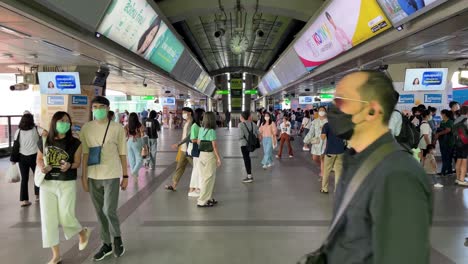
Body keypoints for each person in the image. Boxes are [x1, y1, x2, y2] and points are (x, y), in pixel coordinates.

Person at [320, 71, 431, 263]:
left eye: (343, 101)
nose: (334, 110)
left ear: (372, 111)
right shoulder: (359, 160)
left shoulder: (398, 174)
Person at [37, 111, 91, 264]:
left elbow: (77, 163)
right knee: (48, 220)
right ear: (54, 122)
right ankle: (56, 255)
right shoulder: (44, 139)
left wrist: (69, 165)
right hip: (47, 184)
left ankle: (82, 232)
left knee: (66, 215)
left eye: (67, 121)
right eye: (61, 121)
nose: (64, 123)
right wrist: (42, 167)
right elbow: (39, 158)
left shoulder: (75, 143)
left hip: (66, 182)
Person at [80, 96, 128, 261]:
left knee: (109, 209)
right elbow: (85, 154)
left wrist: (126, 175)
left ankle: (117, 238)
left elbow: (122, 153)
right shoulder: (86, 128)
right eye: (94, 106)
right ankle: (106, 244)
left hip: (112, 174)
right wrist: (83, 177)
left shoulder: (117, 128)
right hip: (93, 175)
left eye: (101, 106)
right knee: (99, 212)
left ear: (108, 108)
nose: (98, 109)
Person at [12, 113, 42, 207]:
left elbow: (15, 146)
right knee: (37, 176)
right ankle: (38, 196)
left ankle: (25, 200)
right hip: (34, 157)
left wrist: (13, 159)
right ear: (32, 120)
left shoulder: (18, 131)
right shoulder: (37, 129)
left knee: (24, 179)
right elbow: (46, 134)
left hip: (22, 158)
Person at [165, 107, 194, 191]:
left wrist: (178, 143)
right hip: (183, 149)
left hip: (189, 149)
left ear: (190, 113)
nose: (183, 114)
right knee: (179, 167)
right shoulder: (186, 122)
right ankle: (173, 185)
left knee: (196, 168)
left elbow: (189, 137)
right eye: (183, 112)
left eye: (184, 112)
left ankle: (195, 187)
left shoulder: (192, 123)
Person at [197, 112, 221, 207]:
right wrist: (218, 158)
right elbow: (214, 146)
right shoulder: (211, 131)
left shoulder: (201, 129)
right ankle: (202, 200)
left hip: (201, 155)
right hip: (209, 156)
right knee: (208, 178)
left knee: (205, 177)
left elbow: (198, 142)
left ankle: (208, 198)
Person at [320, 122, 345, 193]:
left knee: (326, 171)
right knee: (338, 172)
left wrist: (322, 130)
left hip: (330, 151)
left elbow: (323, 137)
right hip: (341, 151)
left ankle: (324, 189)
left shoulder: (327, 125)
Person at [306, 106, 328, 180]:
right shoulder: (315, 121)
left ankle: (322, 174)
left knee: (322, 158)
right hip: (316, 142)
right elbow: (311, 132)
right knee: (314, 158)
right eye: (320, 110)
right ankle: (324, 168)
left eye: (323, 110)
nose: (321, 112)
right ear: (318, 112)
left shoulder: (328, 121)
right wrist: (306, 141)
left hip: (325, 142)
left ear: (325, 112)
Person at [239, 110, 259, 183]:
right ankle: (249, 175)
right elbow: (258, 133)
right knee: (248, 158)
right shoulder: (253, 124)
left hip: (244, 144)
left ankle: (249, 176)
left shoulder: (240, 125)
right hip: (252, 144)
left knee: (246, 159)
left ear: (243, 117)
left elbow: (240, 136)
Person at [188, 108, 205, 197]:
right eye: (203, 114)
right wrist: (201, 140)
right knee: (197, 170)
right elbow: (192, 139)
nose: (204, 116)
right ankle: (193, 189)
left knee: (198, 170)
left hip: (200, 149)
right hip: (197, 150)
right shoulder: (195, 126)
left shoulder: (200, 125)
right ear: (199, 115)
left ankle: (196, 188)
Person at [125, 113, 146, 181]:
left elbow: (125, 136)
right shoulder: (140, 125)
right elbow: (143, 135)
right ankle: (133, 172)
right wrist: (144, 145)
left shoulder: (126, 126)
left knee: (131, 160)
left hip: (129, 142)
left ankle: (135, 175)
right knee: (140, 159)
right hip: (137, 141)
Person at [434, 110, 454, 175]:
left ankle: (444, 171)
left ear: (444, 114)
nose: (441, 115)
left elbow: (448, 130)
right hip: (442, 141)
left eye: (441, 114)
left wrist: (438, 134)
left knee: (447, 157)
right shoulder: (442, 122)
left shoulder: (450, 121)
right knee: (444, 157)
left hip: (449, 142)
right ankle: (448, 171)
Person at [453, 106, 468, 186]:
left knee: (459, 159)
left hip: (457, 142)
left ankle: (458, 178)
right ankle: (462, 179)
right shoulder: (466, 120)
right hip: (464, 142)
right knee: (464, 160)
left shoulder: (456, 119)